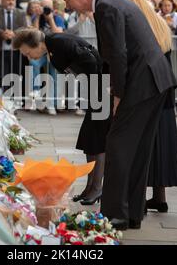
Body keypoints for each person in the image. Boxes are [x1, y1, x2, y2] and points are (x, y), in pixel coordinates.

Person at [58, 0, 177, 230]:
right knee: (137, 149)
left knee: (117, 145)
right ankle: (132, 213)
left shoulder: (106, 6)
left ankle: (115, 215)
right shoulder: (113, 1)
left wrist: (118, 95)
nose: (71, 7)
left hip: (142, 83)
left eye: (68, 0)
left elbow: (118, 55)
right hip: (155, 80)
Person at [12, 28, 111, 205]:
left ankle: (97, 188)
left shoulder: (57, 43)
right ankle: (90, 187)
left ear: (36, 44)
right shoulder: (52, 45)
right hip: (95, 89)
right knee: (89, 139)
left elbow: (90, 60)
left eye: (28, 52)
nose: (29, 57)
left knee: (97, 139)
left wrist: (92, 86)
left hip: (100, 89)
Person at [118, 0, 177, 214]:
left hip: (148, 92)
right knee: (163, 143)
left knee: (145, 145)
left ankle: (139, 200)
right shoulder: (158, 22)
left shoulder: (139, 25)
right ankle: (159, 197)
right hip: (165, 90)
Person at [0, 0, 27, 90]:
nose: (11, 2)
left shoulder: (21, 13)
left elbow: (24, 27)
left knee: (15, 76)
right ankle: (3, 101)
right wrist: (2, 33)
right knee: (2, 76)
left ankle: (14, 100)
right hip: (0, 50)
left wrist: (14, 33)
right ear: (3, 0)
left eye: (13, 0)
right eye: (8, 0)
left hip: (16, 50)